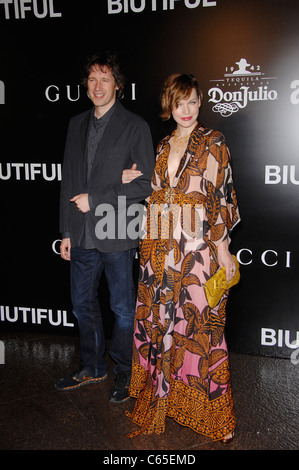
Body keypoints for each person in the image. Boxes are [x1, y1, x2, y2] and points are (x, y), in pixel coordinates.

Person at [122, 74, 240, 440]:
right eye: (178, 103)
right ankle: (166, 399)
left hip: (197, 252)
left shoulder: (213, 141)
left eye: (191, 102)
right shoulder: (161, 148)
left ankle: (215, 417)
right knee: (162, 324)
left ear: (200, 101)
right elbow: (157, 195)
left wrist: (223, 251)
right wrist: (137, 179)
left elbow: (221, 198)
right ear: (168, 107)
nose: (186, 110)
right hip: (159, 252)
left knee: (201, 329)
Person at [55, 52, 155, 403]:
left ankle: (125, 374)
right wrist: (66, 232)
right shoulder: (75, 124)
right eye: (92, 79)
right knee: (81, 303)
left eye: (105, 79)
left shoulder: (135, 126)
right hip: (80, 231)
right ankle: (93, 367)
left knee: (123, 309)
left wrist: (96, 199)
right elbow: (69, 180)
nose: (97, 86)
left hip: (116, 230)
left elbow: (144, 186)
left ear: (118, 85)